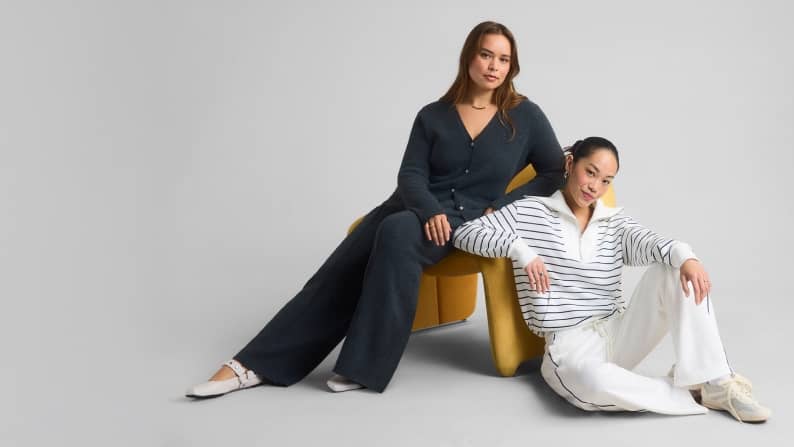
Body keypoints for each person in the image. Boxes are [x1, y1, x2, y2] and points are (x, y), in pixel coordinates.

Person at [185, 21, 565, 398]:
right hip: (414, 206)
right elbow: (411, 174)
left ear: (511, 66)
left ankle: (362, 368)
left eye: (503, 58)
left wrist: (500, 207)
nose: (494, 66)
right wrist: (429, 209)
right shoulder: (433, 115)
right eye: (486, 54)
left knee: (398, 232)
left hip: (463, 223)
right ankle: (252, 365)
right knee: (336, 272)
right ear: (469, 56)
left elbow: (553, 170)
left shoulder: (524, 115)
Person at [451, 137, 771, 422]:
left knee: (672, 268)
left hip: (618, 332)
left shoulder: (612, 221)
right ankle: (691, 389)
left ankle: (716, 382)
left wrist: (686, 256)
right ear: (570, 163)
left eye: (606, 180)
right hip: (570, 345)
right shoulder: (529, 212)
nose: (595, 187)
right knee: (593, 384)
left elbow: (648, 241)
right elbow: (465, 233)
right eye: (590, 172)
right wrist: (520, 250)